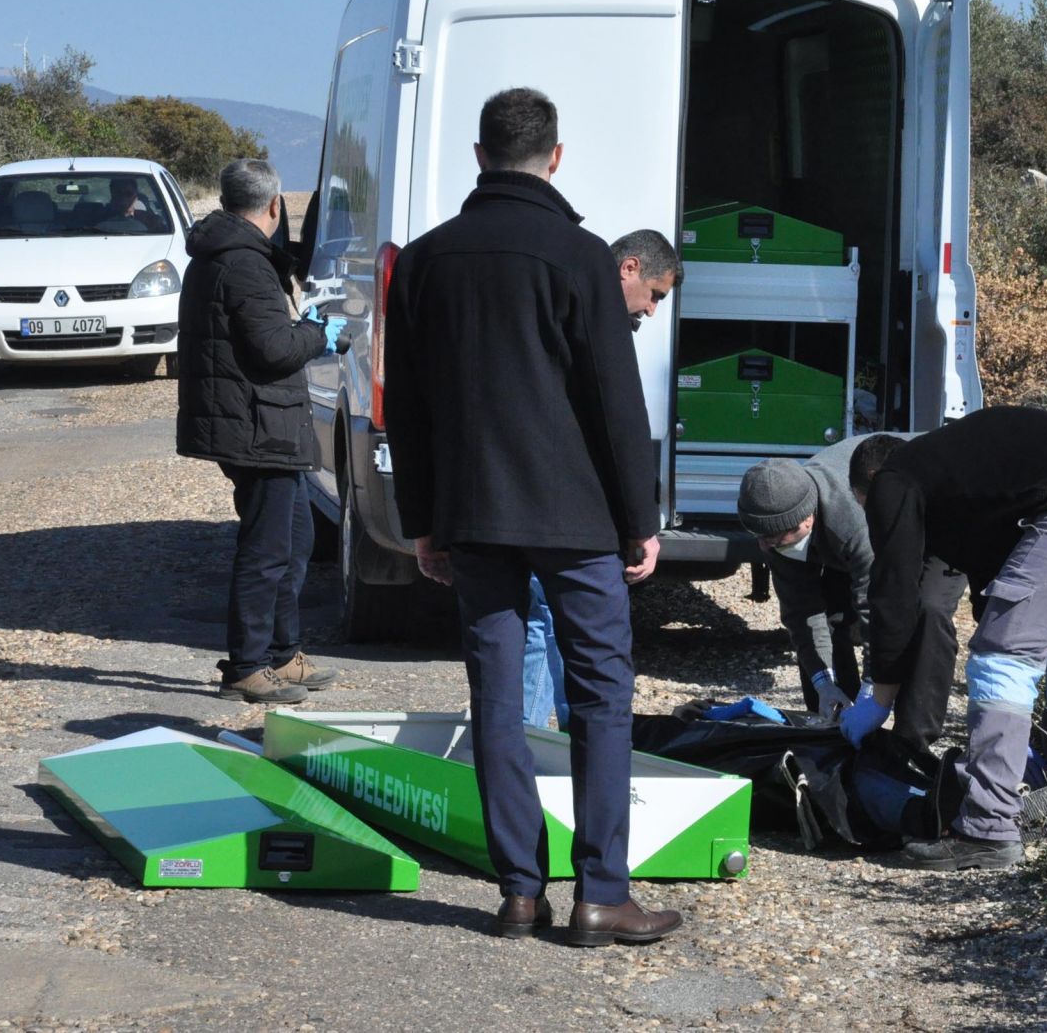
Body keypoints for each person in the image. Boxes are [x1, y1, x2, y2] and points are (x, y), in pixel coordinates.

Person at [382, 88, 681, 946]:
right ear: (555, 157)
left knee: (499, 702)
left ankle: (518, 891)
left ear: (480, 157)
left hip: (473, 515)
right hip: (577, 517)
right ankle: (600, 894)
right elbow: (614, 404)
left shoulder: (428, 261)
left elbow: (409, 404)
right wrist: (640, 518)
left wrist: (423, 520)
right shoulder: (582, 255)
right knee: (601, 698)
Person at [841, 408, 1047, 870]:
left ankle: (988, 828)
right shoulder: (963, 469)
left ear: (869, 487)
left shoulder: (895, 476)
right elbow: (997, 575)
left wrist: (878, 697)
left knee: (1002, 656)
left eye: (865, 505)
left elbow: (893, 592)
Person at [176, 158, 343, 704]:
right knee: (267, 549)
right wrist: (319, 333)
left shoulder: (224, 253)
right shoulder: (245, 263)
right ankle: (246, 666)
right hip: (258, 424)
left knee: (297, 538)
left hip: (257, 418)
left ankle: (281, 654)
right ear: (275, 206)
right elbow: (274, 349)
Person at [522, 228, 681, 731]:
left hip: (518, 505)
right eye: (655, 295)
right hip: (573, 516)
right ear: (628, 268)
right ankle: (582, 743)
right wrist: (642, 526)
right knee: (575, 631)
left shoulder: (547, 301)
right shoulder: (598, 324)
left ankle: (520, 746)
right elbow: (621, 426)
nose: (653, 310)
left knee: (533, 622)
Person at [735, 438, 967, 750]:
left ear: (806, 519)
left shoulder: (852, 522)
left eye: (774, 538)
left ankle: (913, 741)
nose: (764, 546)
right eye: (758, 537)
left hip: (936, 519)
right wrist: (823, 682)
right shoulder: (776, 525)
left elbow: (879, 607)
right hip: (839, 534)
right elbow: (800, 612)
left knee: (928, 610)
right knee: (830, 617)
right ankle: (834, 726)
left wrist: (874, 691)